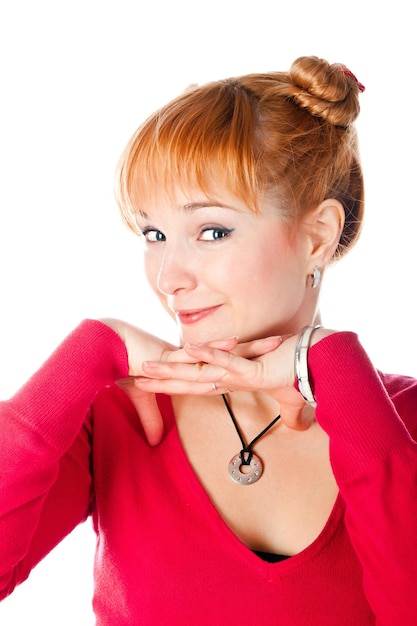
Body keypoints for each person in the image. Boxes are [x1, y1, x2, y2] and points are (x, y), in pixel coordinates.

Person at [1, 55, 416, 625]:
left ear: (318, 236)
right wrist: (87, 352)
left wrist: (330, 362)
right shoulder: (116, 416)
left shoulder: (398, 424)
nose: (169, 276)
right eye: (154, 233)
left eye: (212, 231)